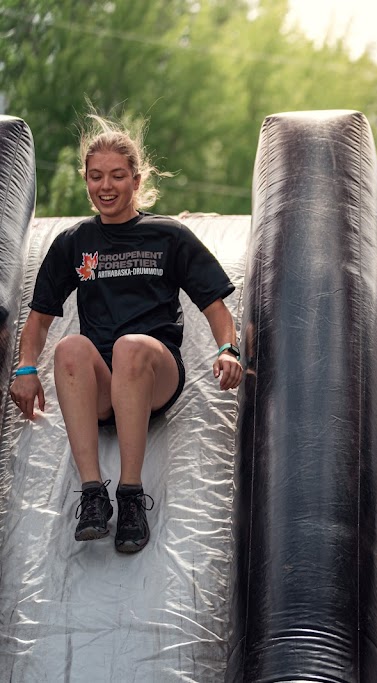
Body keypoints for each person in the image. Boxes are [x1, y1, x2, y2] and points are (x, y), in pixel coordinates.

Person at [7, 113, 243, 553]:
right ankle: (93, 495)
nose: (106, 186)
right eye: (96, 176)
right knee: (70, 346)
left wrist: (228, 349)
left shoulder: (168, 235)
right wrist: (25, 368)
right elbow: (38, 320)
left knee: (129, 347)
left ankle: (131, 496)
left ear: (136, 180)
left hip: (153, 373)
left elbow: (216, 308)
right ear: (86, 180)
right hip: (101, 387)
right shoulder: (74, 242)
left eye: (117, 175)